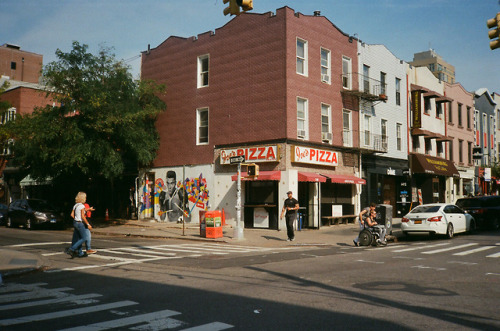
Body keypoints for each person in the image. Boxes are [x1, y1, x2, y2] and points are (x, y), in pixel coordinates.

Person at [65, 192, 92, 258]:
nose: (85, 199)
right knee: (84, 238)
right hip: (80, 223)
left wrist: (76, 219)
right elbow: (83, 217)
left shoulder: (75, 205)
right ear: (82, 198)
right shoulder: (82, 206)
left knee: (79, 238)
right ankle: (72, 249)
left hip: (75, 223)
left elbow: (72, 215)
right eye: (85, 197)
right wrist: (88, 224)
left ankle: (80, 253)